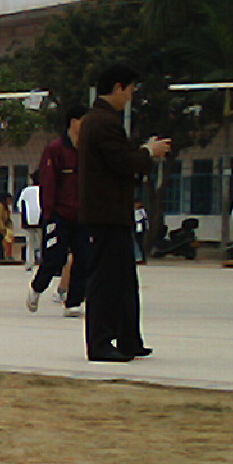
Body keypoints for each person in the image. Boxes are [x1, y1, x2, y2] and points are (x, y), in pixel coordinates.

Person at [78, 63, 170, 361]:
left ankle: (129, 338)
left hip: (111, 212)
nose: (130, 96)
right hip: (107, 212)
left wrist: (143, 151)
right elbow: (122, 162)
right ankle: (100, 343)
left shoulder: (99, 120)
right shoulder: (103, 122)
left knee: (123, 279)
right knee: (106, 280)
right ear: (118, 87)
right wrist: (148, 153)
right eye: (130, 89)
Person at [26, 110, 88, 315]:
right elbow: (48, 182)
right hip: (59, 215)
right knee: (54, 258)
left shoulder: (88, 150)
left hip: (83, 216)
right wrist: (49, 214)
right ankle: (37, 288)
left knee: (84, 258)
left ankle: (73, 303)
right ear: (73, 121)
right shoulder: (55, 150)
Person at [15, 176, 42, 268]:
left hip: (28, 220)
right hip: (41, 219)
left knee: (30, 243)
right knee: (43, 243)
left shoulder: (26, 190)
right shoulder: (43, 190)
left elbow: (19, 205)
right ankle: (43, 261)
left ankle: (30, 263)